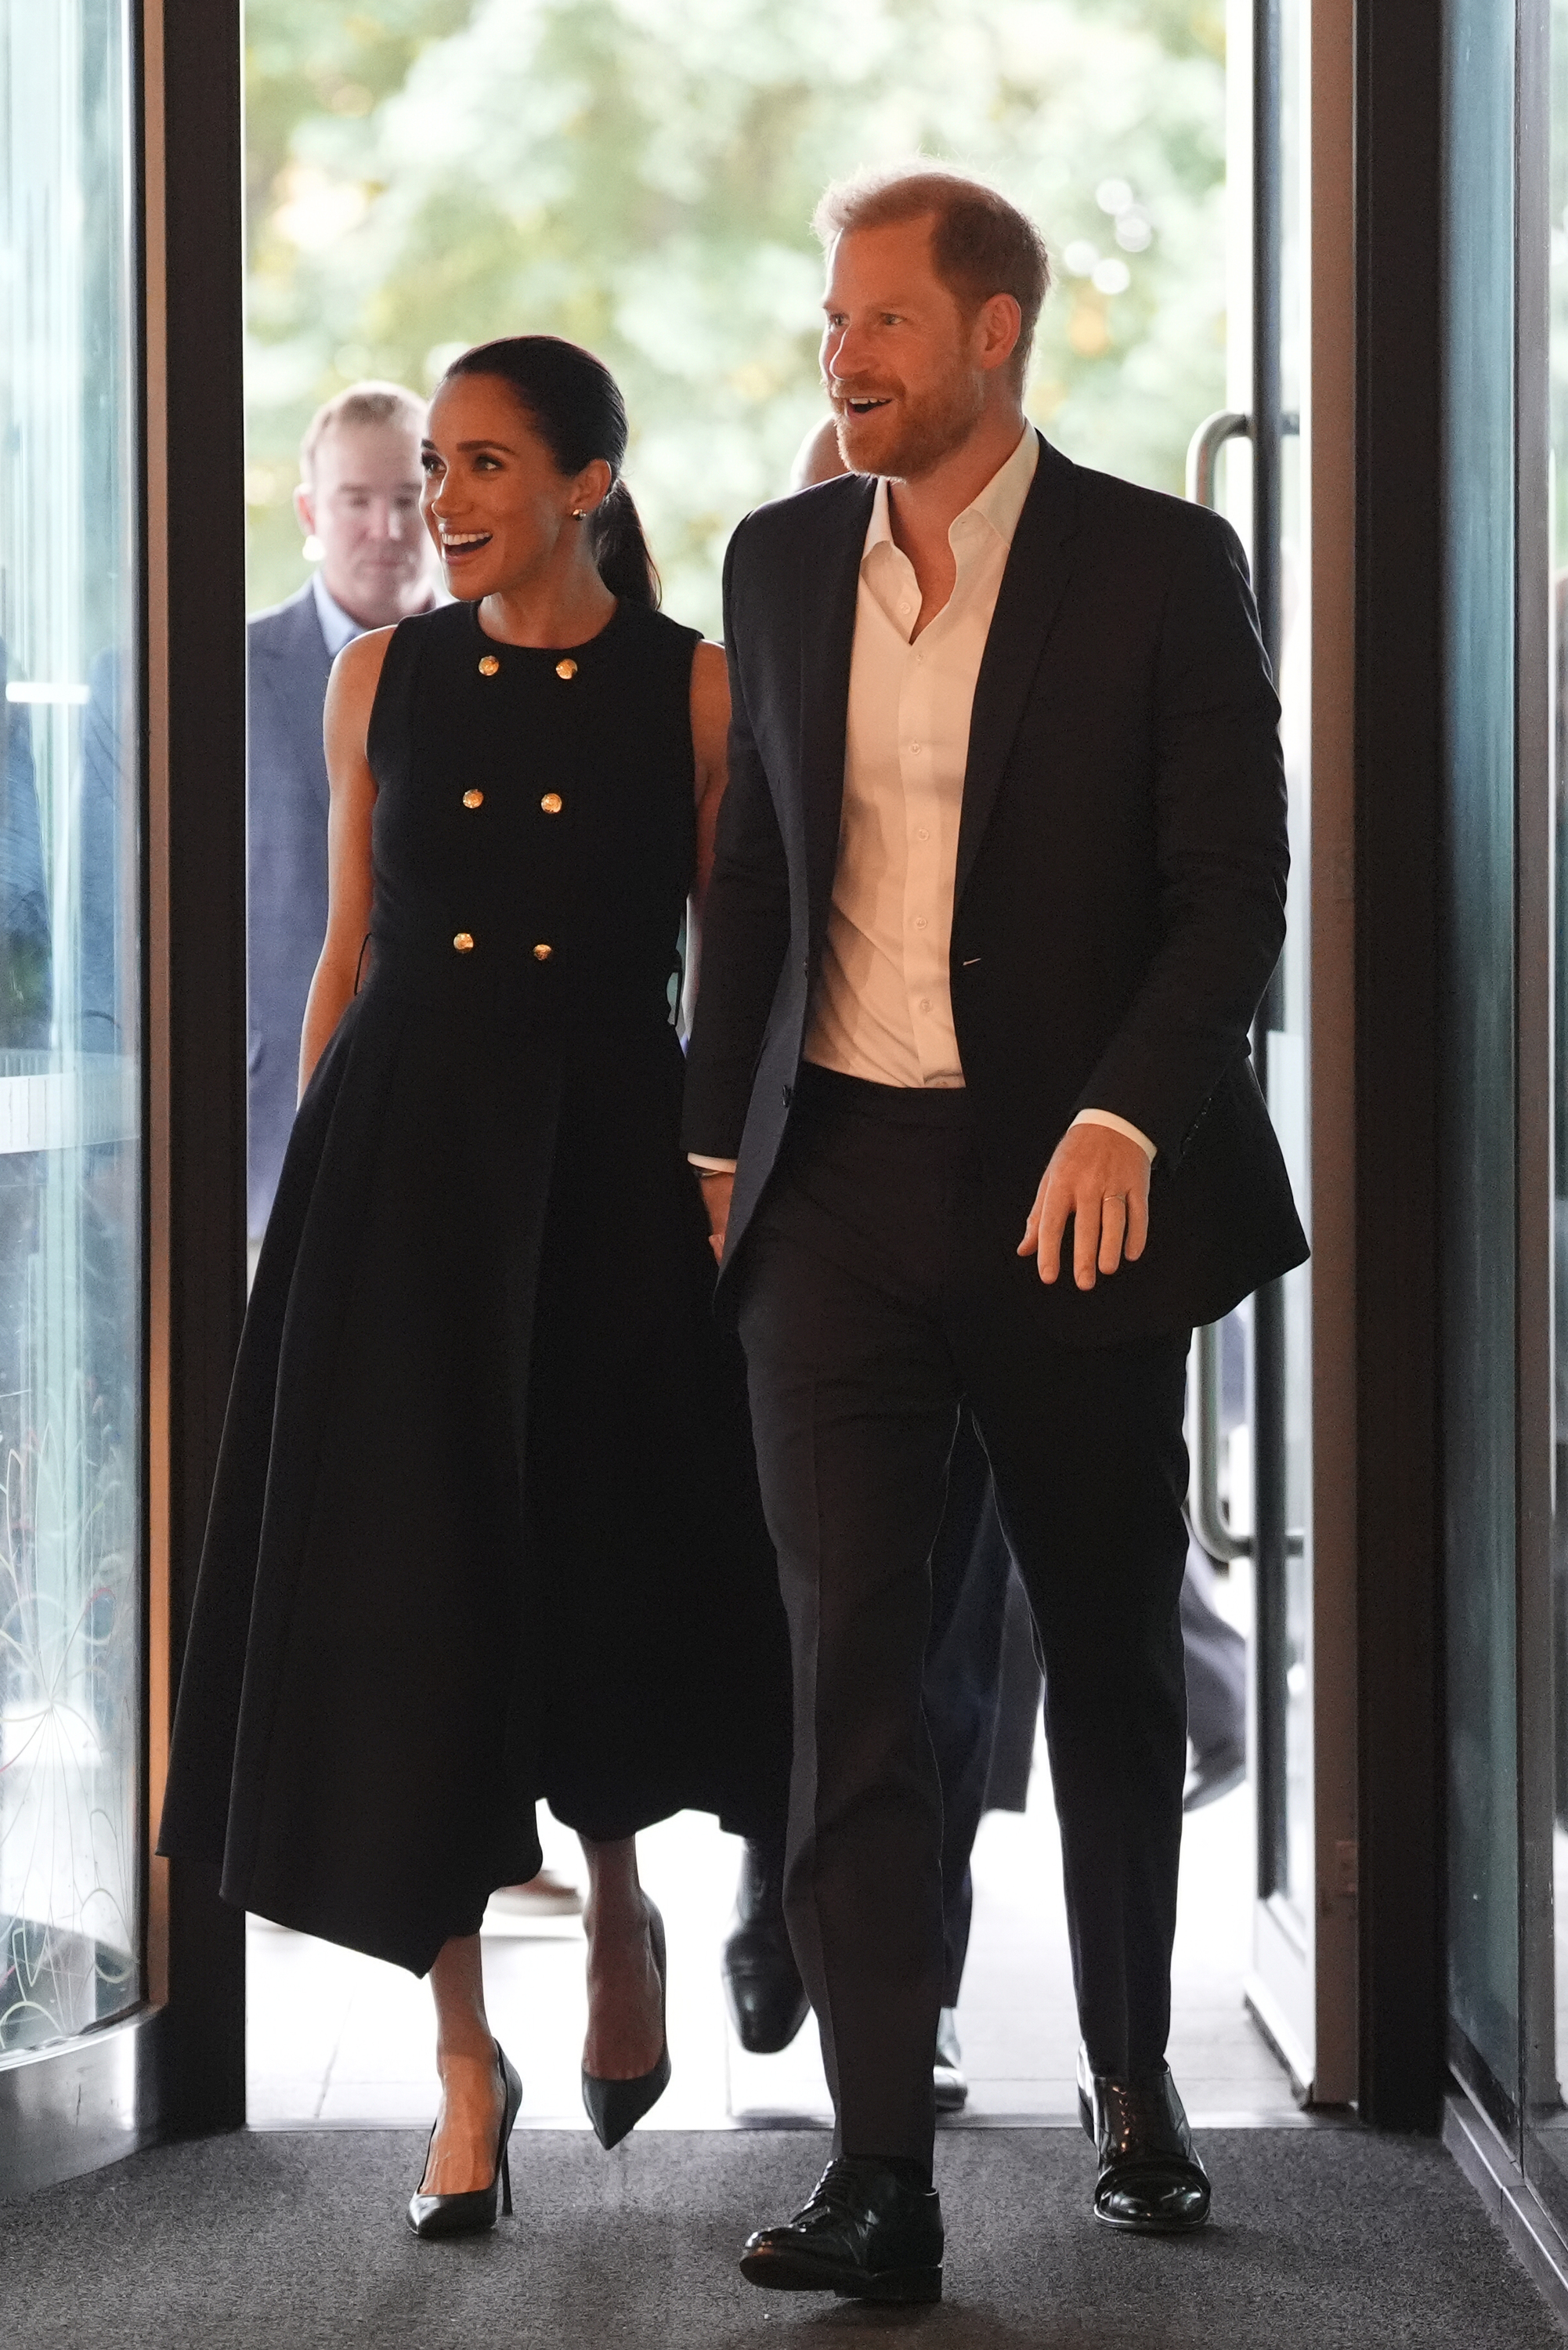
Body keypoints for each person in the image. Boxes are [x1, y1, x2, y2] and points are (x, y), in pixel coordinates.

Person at [685, 165, 1306, 2304]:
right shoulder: (779, 567)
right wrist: (710, 1159)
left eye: (879, 324)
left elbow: (1233, 879)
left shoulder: (1156, 562)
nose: (840, 356)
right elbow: (749, 880)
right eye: (830, 320)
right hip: (835, 1195)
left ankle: (1133, 2080)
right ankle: (882, 2166)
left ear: (992, 334)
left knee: (1109, 1657)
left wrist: (1129, 1103)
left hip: (1071, 1198)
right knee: (848, 1673)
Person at [158, 333, 791, 2237]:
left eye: (489, 463)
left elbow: (723, 968)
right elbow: (348, 953)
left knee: (584, 1561)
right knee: (414, 1598)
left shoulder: (693, 691)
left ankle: (617, 1906)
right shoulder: (383, 676)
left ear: (591, 481)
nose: (446, 498)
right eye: (435, 463)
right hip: (397, 1179)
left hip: (603, 1173)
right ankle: (458, 2062)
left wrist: (710, 1178)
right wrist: (300, 1204)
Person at [246, 383, 439, 1254]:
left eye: (408, 498)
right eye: (357, 501)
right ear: (310, 512)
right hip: (256, 1140)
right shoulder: (221, 679)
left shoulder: (513, 673)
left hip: (458, 1126)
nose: (388, 528)